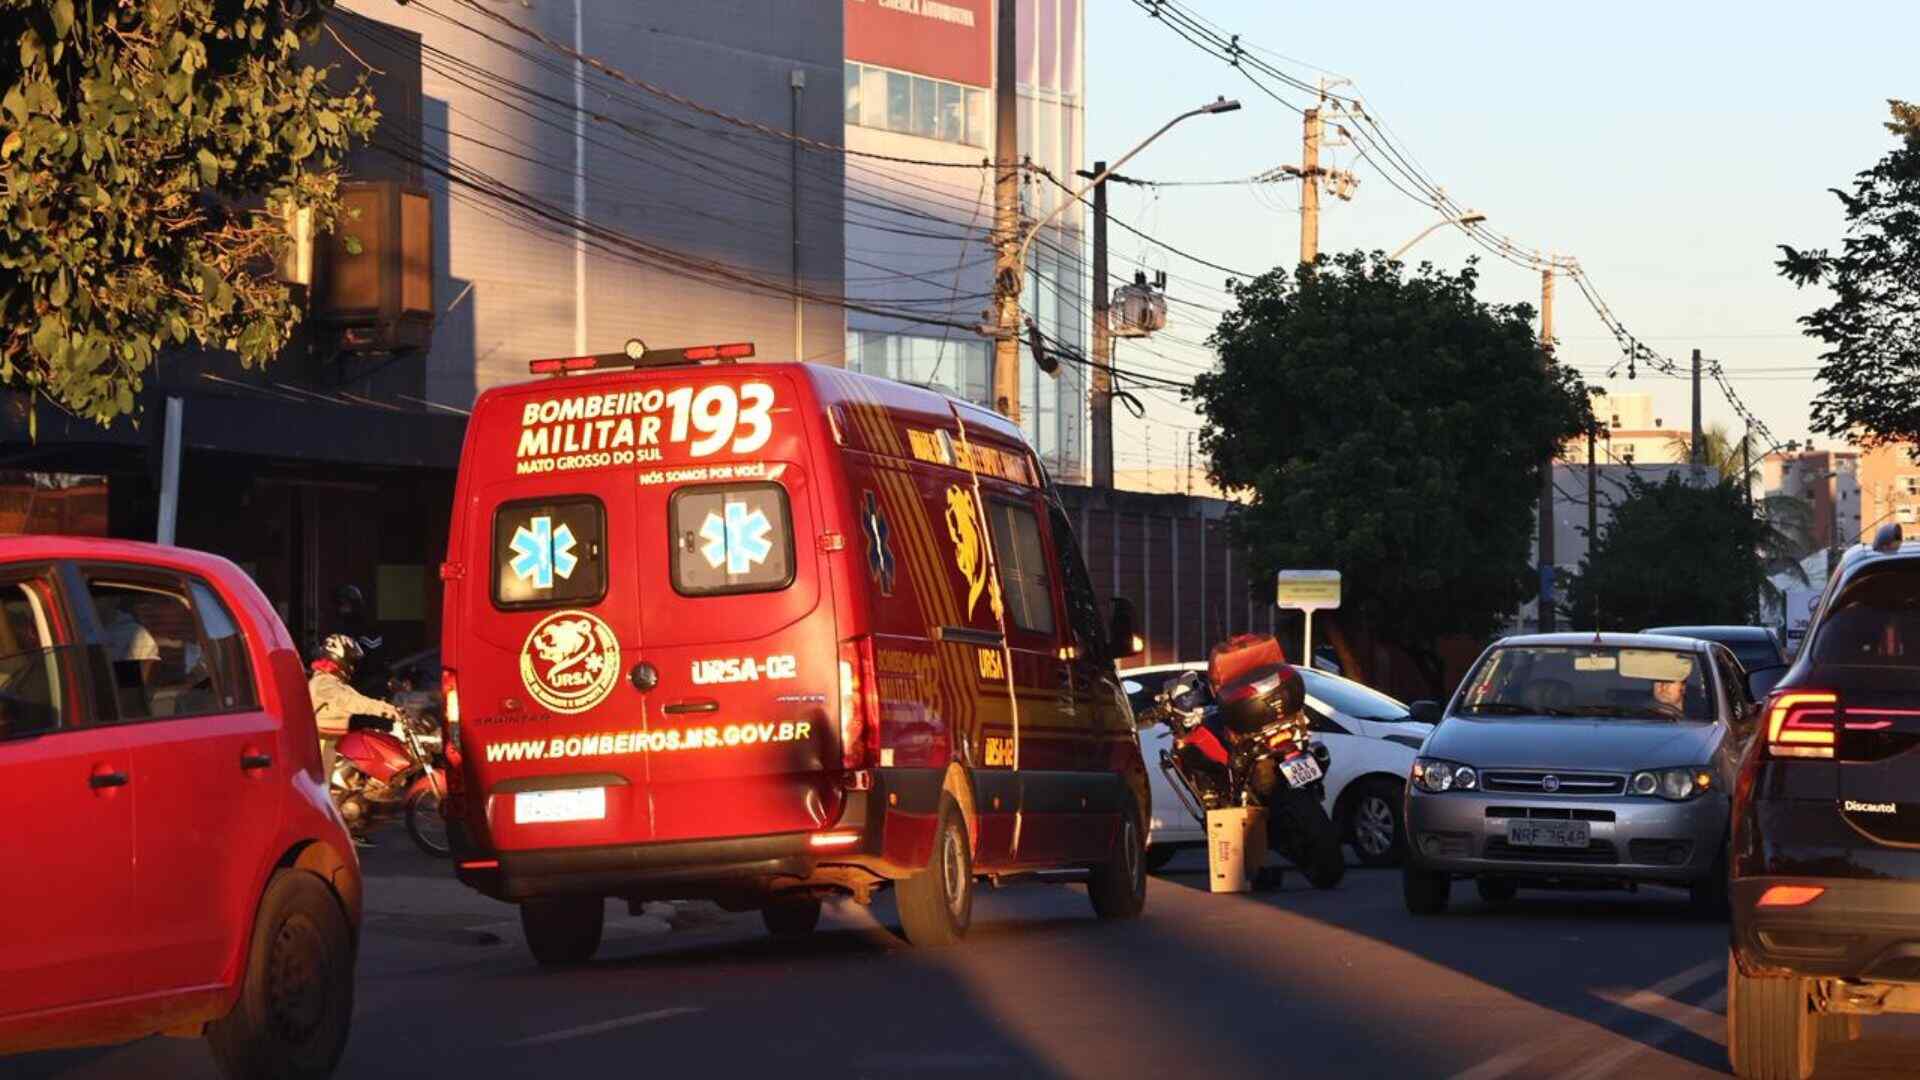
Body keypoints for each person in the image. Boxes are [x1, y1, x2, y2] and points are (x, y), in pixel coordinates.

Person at [310, 634, 403, 847]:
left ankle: (345, 827)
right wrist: (390, 711)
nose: (352, 666)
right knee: (324, 794)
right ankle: (333, 835)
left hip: (332, 740)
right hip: (322, 743)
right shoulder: (325, 683)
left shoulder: (331, 681)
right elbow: (354, 702)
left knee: (350, 780)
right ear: (340, 658)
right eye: (350, 660)